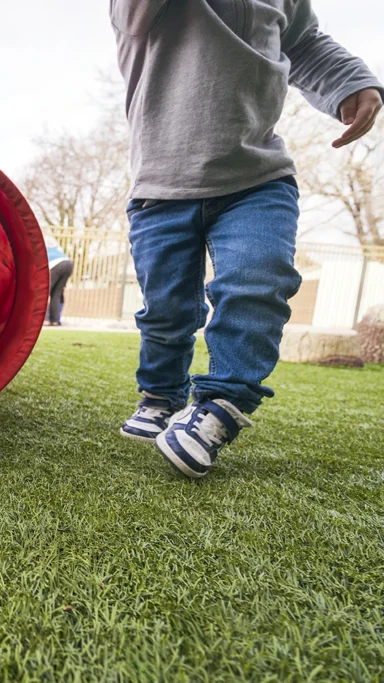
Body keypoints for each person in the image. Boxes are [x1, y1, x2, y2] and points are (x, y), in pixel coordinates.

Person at [111, 1, 383, 477]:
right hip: (162, 182)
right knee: (166, 309)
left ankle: (220, 409)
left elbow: (302, 40)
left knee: (259, 279)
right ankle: (161, 393)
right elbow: (132, 17)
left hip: (258, 176)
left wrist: (350, 80)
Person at [45, 242, 73, 326]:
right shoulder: (53, 248)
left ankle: (37, 319)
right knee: (56, 294)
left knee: (43, 292)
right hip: (69, 263)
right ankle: (54, 321)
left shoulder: (41, 249)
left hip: (55, 264)